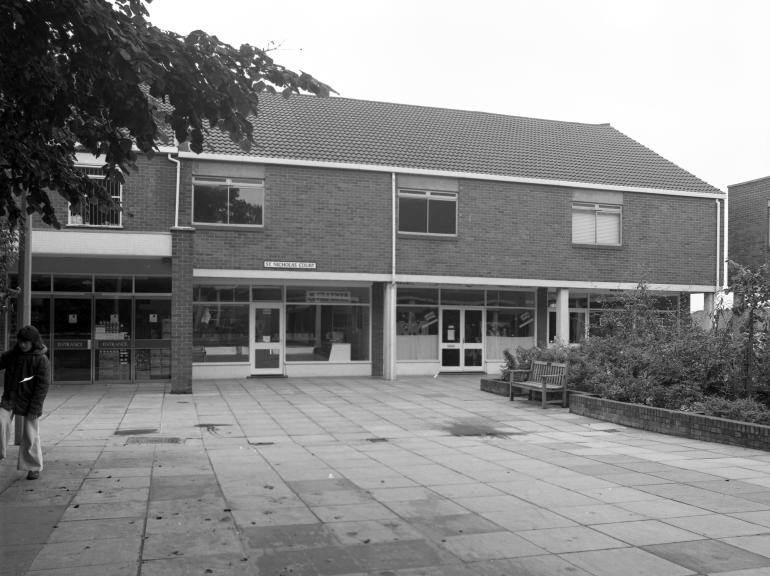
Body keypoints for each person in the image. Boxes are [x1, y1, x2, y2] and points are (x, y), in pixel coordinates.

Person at [0, 325, 51, 480]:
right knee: (0, 422)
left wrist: (35, 407)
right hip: (10, 398)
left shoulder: (41, 359)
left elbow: (42, 386)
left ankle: (33, 467)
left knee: (30, 435)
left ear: (33, 342)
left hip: (30, 402)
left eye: (26, 342)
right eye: (21, 341)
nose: (23, 345)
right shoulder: (12, 355)